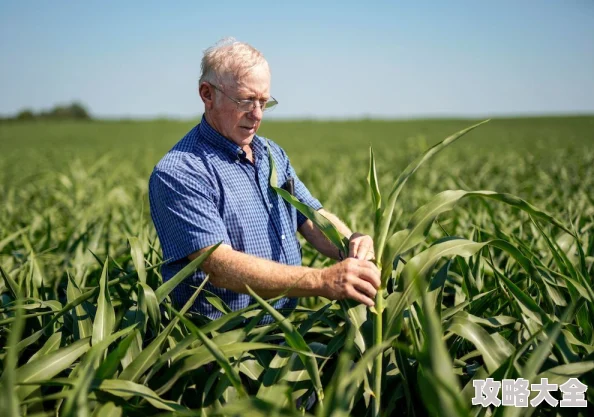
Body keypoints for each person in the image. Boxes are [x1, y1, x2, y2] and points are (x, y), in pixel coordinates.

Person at [148, 38, 380, 325]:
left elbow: (310, 218)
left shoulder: (271, 154)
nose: (257, 115)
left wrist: (352, 245)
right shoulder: (180, 172)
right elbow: (217, 264)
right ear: (207, 94)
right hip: (219, 347)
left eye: (263, 102)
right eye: (245, 101)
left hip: (283, 331)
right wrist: (321, 280)